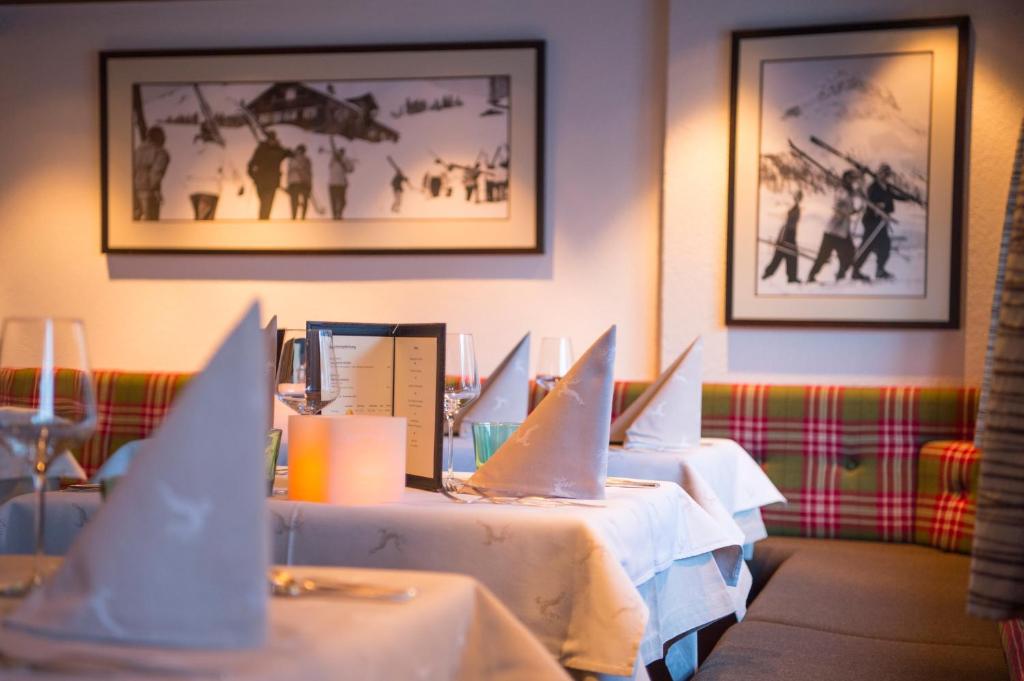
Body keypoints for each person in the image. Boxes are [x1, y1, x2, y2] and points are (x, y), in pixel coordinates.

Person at [851, 163, 918, 281]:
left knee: (885, 246)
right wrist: (879, 205)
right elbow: (870, 201)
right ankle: (855, 271)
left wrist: (909, 198)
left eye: (887, 174)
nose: (885, 176)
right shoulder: (873, 187)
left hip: (881, 221)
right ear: (878, 173)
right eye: (883, 173)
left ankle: (880, 270)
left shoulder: (886, 187)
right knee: (867, 246)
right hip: (871, 220)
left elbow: (895, 196)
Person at [808, 170, 863, 283]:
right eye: (850, 179)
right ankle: (811, 276)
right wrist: (850, 210)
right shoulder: (842, 191)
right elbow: (838, 206)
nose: (852, 181)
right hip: (833, 230)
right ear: (846, 179)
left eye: (853, 179)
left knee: (850, 252)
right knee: (824, 255)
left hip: (842, 231)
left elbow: (849, 205)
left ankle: (844, 273)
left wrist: (855, 210)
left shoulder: (848, 191)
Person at [185, 122, 238, 221]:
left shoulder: (194, 148)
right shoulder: (218, 150)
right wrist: (239, 185)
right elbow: (229, 171)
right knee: (205, 222)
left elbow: (185, 167)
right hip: (210, 188)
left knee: (199, 219)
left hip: (192, 189)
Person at [247, 130, 292, 220]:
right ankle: (263, 219)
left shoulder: (275, 149)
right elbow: (252, 163)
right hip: (264, 180)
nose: (272, 141)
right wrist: (253, 175)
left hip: (268, 180)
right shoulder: (267, 149)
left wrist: (253, 175)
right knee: (264, 200)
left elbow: (252, 163)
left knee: (267, 200)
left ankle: (264, 219)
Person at [761, 190, 803, 283]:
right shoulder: (794, 208)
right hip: (788, 234)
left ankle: (772, 273)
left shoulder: (796, 208)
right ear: (795, 197)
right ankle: (789, 277)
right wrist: (782, 237)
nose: (798, 199)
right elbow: (789, 223)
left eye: (799, 197)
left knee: (785, 255)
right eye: (797, 197)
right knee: (786, 255)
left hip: (789, 233)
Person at [133, 126, 170, 221]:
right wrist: (155, 191)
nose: (165, 139)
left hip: (134, 191)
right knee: (151, 224)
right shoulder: (161, 153)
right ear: (159, 138)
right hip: (149, 193)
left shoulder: (137, 151)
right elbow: (156, 173)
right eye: (163, 137)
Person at [327, 138, 355, 219]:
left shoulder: (345, 160)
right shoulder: (333, 160)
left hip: (341, 184)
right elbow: (330, 164)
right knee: (333, 201)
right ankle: (335, 216)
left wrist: (343, 162)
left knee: (342, 201)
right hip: (332, 183)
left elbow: (351, 169)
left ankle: (339, 213)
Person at [286, 144, 313, 220]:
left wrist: (309, 183)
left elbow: (309, 172)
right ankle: (294, 217)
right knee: (294, 200)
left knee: (302, 200)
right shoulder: (293, 159)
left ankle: (302, 217)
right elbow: (289, 172)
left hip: (303, 182)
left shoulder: (305, 160)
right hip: (295, 182)